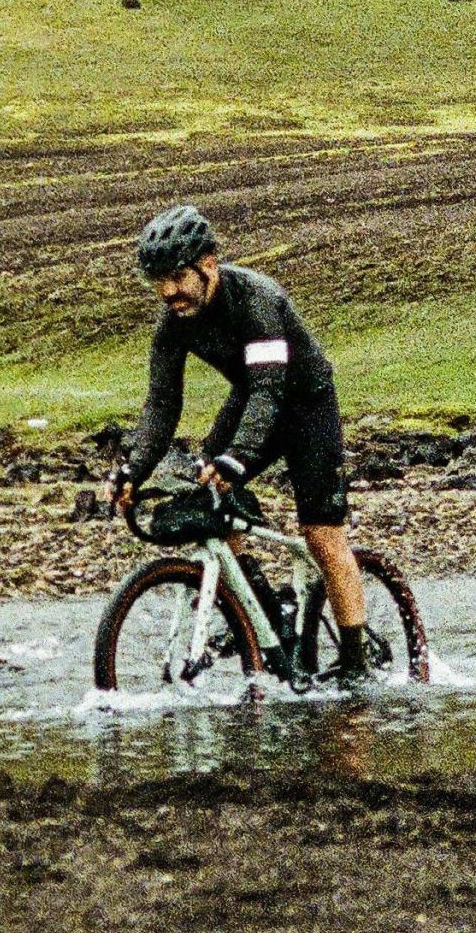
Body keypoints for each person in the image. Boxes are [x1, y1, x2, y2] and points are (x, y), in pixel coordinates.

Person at [105, 204, 377, 680]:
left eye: (177, 277)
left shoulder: (257, 299)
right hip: (250, 399)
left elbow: (271, 391)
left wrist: (237, 458)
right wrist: (133, 468)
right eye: (158, 281)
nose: (168, 292)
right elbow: (161, 407)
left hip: (306, 406)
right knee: (210, 498)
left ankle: (356, 664)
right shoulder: (173, 322)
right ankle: (264, 612)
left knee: (322, 536)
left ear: (207, 263)